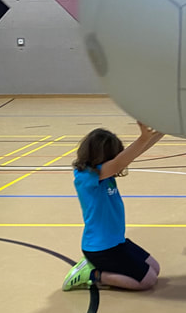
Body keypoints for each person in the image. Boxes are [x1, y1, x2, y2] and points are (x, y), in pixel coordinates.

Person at [63, 122, 163, 291]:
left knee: (155, 269)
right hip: (101, 249)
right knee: (148, 281)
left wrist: (163, 130)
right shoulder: (86, 176)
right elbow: (119, 162)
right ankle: (92, 274)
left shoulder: (102, 172)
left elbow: (134, 153)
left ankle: (98, 269)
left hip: (117, 242)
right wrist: (142, 138)